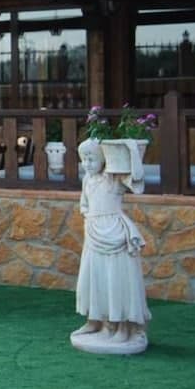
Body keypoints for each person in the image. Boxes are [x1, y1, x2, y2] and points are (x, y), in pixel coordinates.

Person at [71, 138, 151, 352]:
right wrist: (90, 219)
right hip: (94, 233)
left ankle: (123, 326)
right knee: (95, 277)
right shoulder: (88, 180)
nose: (87, 164)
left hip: (115, 232)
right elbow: (84, 205)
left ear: (104, 158)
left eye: (91, 158)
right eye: (83, 159)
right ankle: (98, 321)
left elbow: (137, 180)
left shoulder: (114, 178)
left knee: (117, 279)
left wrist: (132, 150)